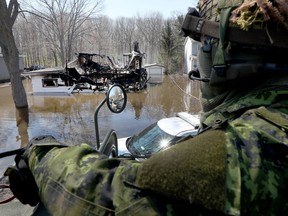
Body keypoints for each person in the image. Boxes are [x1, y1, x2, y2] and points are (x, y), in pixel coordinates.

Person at [5, 0, 288, 215]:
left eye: (204, 46)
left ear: (222, 57)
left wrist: (40, 155)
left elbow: (109, 197)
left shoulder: (243, 153)